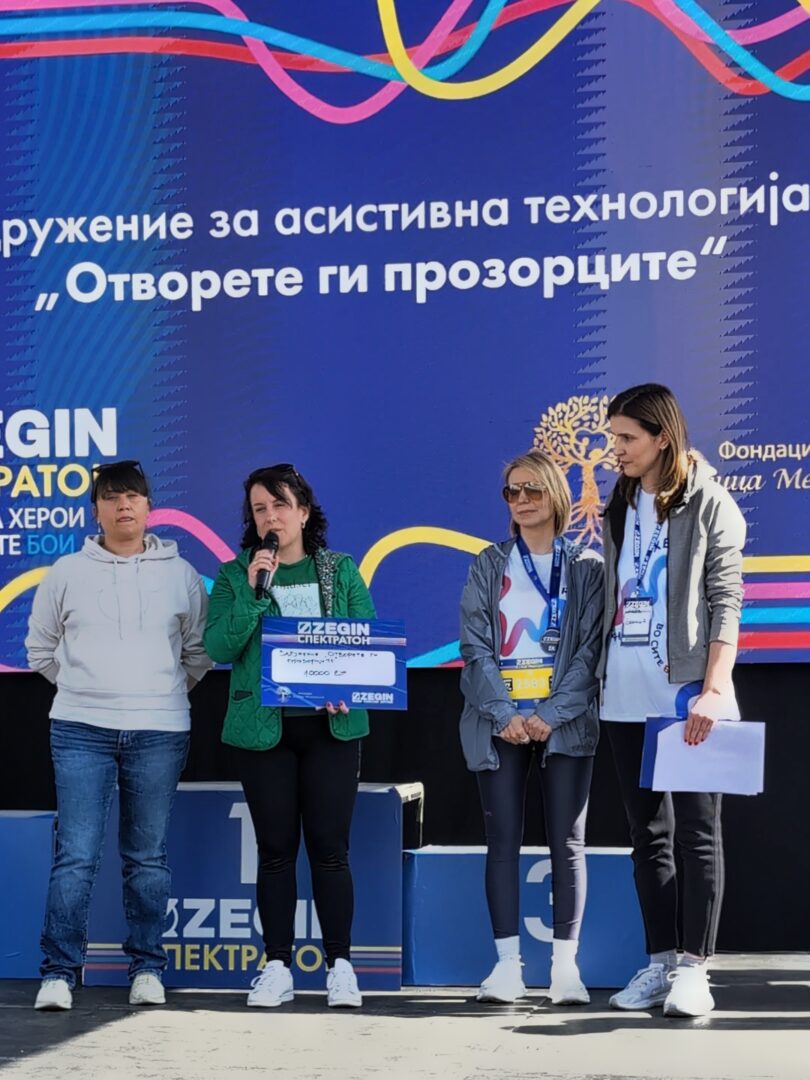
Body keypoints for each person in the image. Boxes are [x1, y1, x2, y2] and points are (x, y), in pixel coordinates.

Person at [25, 459, 211, 1011]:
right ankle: (59, 973)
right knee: (76, 855)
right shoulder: (65, 572)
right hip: (79, 729)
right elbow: (39, 649)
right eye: (110, 497)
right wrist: (85, 690)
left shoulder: (181, 574)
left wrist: (158, 694)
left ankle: (147, 968)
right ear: (96, 510)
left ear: (150, 507)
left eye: (132, 496)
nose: (122, 505)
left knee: (147, 857)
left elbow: (197, 654)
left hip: (160, 730)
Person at [598, 383, 746, 1018]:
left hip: (686, 696)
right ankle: (659, 964)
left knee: (697, 835)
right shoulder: (621, 500)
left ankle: (694, 969)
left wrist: (712, 689)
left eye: (627, 438)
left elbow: (726, 599)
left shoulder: (710, 501)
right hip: (623, 693)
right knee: (647, 837)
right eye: (612, 437)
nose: (616, 449)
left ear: (663, 437)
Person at [203, 464, 375, 1009]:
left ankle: (340, 966)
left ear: (303, 512)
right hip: (263, 730)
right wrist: (256, 593)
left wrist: (346, 683)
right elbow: (219, 647)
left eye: (280, 505)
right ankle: (276, 965)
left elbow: (366, 640)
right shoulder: (236, 575)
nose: (270, 517)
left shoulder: (338, 570)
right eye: (260, 509)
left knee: (330, 849)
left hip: (330, 728)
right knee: (275, 851)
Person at [459, 449, 604, 1005]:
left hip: (563, 723)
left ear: (555, 496)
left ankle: (565, 969)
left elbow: (590, 651)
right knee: (502, 842)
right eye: (512, 492)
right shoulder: (488, 563)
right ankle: (506, 968)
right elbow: (474, 646)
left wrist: (550, 714)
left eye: (532, 490)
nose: (521, 500)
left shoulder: (586, 567)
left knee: (568, 841)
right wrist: (506, 714)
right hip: (500, 723)